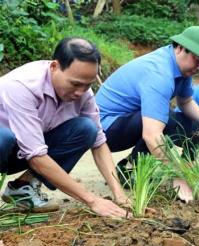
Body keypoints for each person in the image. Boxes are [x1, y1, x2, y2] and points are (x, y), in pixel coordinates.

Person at [95, 26, 199, 203]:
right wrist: (178, 177)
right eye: (198, 60)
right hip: (104, 131)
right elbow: (152, 135)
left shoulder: (181, 68)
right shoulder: (159, 74)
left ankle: (129, 168)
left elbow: (185, 101)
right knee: (166, 119)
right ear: (181, 47)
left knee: (178, 121)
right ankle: (132, 167)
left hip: (127, 121)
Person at [0, 38, 129, 217]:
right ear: (54, 67)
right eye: (75, 84)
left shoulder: (83, 93)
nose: (80, 92)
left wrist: (119, 195)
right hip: (4, 147)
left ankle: (22, 188)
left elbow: (99, 144)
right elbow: (36, 156)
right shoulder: (22, 86)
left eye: (88, 85)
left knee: (86, 129)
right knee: (3, 138)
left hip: (22, 150)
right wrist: (92, 200)